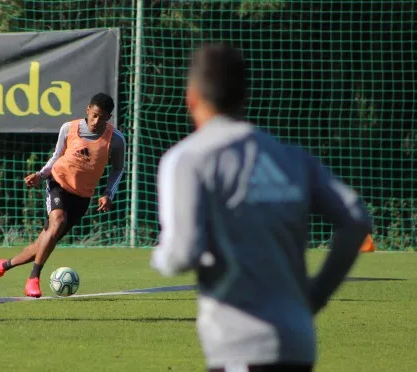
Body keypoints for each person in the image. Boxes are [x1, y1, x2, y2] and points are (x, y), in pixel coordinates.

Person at [151, 44, 372, 372]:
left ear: (191, 96)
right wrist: (316, 296)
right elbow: (355, 220)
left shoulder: (188, 159)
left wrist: (160, 256)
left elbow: (183, 253)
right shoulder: (290, 156)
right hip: (299, 343)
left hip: (241, 344)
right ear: (245, 95)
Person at [0, 93, 125, 298]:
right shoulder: (69, 128)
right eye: (94, 115)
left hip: (82, 197)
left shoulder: (116, 139)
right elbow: (56, 156)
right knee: (57, 221)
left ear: (109, 117)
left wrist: (108, 193)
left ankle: (3, 265)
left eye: (102, 118)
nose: (96, 121)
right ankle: (33, 278)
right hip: (58, 183)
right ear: (87, 110)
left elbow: (118, 169)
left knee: (42, 245)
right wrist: (40, 175)